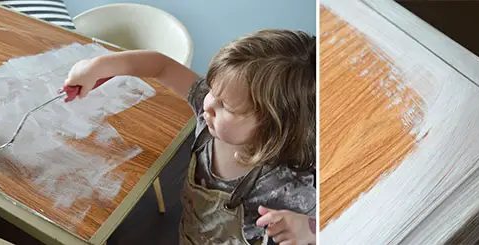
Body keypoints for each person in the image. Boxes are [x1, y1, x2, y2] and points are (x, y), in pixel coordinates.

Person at [64, 29, 316, 245]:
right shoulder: (209, 113)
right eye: (212, 89)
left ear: (272, 127)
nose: (207, 104)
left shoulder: (286, 184)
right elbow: (160, 65)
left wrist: (309, 231)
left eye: (226, 106)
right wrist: (96, 67)